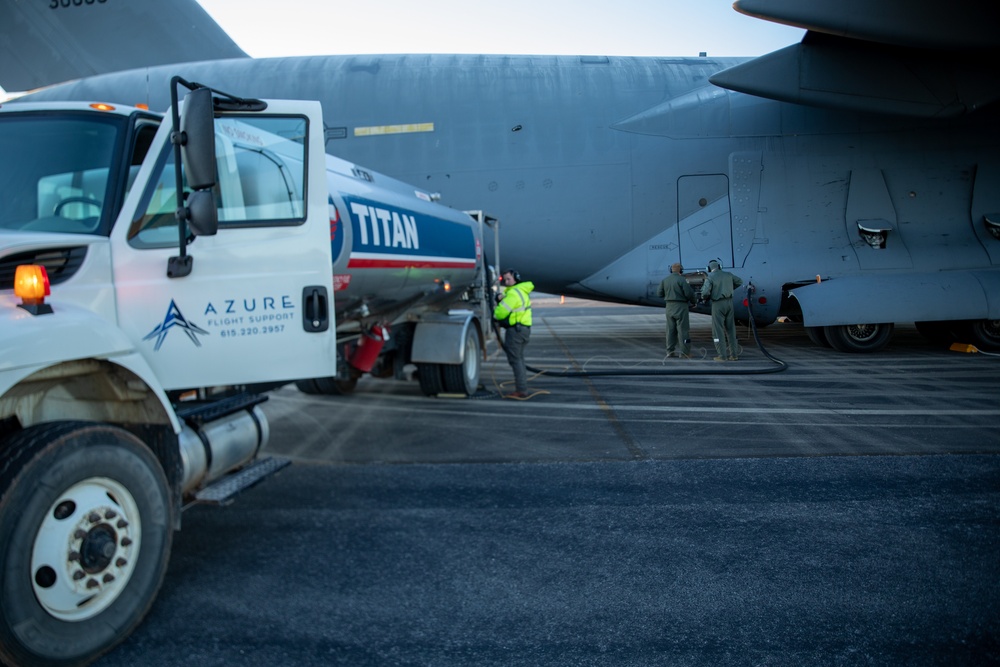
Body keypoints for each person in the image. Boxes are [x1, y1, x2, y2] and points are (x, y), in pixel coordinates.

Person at [493, 268, 534, 399]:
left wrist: (498, 301)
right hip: (524, 330)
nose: (506, 282)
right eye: (504, 280)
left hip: (516, 331)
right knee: (519, 359)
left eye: (508, 279)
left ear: (515, 279)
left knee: (515, 360)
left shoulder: (513, 294)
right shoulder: (521, 290)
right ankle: (522, 387)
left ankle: (521, 390)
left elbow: (499, 313)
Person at [700, 259, 743, 361]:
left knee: (718, 330)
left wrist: (704, 297)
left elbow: (705, 293)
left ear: (709, 269)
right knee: (731, 329)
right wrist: (729, 288)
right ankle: (734, 355)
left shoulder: (710, 277)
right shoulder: (728, 274)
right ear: (720, 267)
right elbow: (739, 281)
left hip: (718, 304)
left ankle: (722, 355)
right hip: (729, 303)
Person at [656, 262, 696, 358]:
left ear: (671, 270)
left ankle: (670, 351)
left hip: (669, 307)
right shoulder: (682, 280)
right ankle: (685, 353)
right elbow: (689, 293)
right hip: (681, 306)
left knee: (670, 330)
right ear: (680, 271)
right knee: (683, 330)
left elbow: (659, 293)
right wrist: (694, 301)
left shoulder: (665, 280)